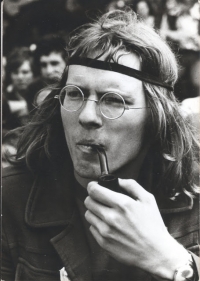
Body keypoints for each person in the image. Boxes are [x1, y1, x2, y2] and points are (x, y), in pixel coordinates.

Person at [2, 9, 199, 281]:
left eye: (113, 99)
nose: (86, 116)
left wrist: (170, 260)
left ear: (156, 116)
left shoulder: (195, 199)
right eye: (74, 94)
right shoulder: (10, 197)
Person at [27, 34, 67, 111]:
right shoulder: (33, 89)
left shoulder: (75, 85)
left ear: (66, 62)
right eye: (43, 65)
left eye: (54, 63)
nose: (49, 70)